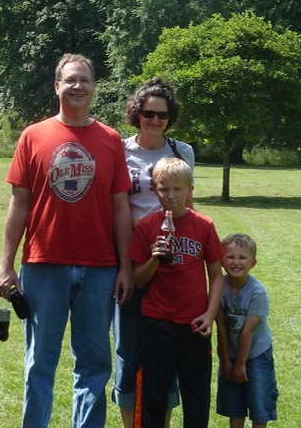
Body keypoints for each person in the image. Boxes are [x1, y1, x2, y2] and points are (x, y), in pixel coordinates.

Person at [0, 53, 134, 428]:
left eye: (85, 80)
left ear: (94, 87)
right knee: (39, 363)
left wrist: (125, 267)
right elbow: (19, 204)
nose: (78, 86)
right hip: (43, 267)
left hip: (100, 269)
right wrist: (6, 264)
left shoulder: (110, 139)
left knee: (93, 367)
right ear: (57, 86)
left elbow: (120, 208)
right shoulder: (33, 136)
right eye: (70, 80)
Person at [112, 78, 195, 428]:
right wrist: (125, 267)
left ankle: (160, 421)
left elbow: (188, 205)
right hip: (131, 258)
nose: (155, 120)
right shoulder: (119, 149)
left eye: (162, 115)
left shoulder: (182, 152)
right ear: (137, 113)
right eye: (148, 113)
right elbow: (115, 206)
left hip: (171, 262)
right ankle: (131, 422)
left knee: (169, 348)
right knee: (128, 347)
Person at [128, 157, 224, 428]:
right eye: (163, 189)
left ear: (190, 190)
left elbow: (216, 275)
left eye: (177, 189)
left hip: (194, 324)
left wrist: (210, 313)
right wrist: (155, 259)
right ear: (155, 190)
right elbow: (138, 279)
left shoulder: (203, 225)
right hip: (157, 322)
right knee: (153, 396)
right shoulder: (147, 226)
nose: (170, 196)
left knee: (196, 395)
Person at [216, 234, 279, 428]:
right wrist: (226, 360)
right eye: (230, 257)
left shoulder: (257, 292)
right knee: (234, 403)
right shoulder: (219, 288)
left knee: (259, 403)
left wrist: (241, 364)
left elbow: (247, 332)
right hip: (231, 353)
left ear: (253, 263)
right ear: (221, 261)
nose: (236, 262)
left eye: (242, 258)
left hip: (256, 354)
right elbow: (221, 326)